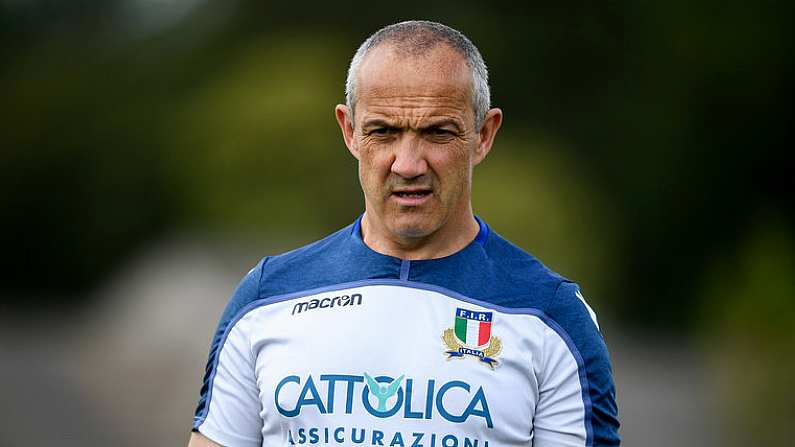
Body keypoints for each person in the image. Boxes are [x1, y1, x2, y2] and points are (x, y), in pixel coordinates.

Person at [188, 20, 620, 447]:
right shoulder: (266, 298)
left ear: (483, 136)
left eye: (437, 132)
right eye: (384, 132)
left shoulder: (552, 317)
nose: (408, 164)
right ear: (350, 131)